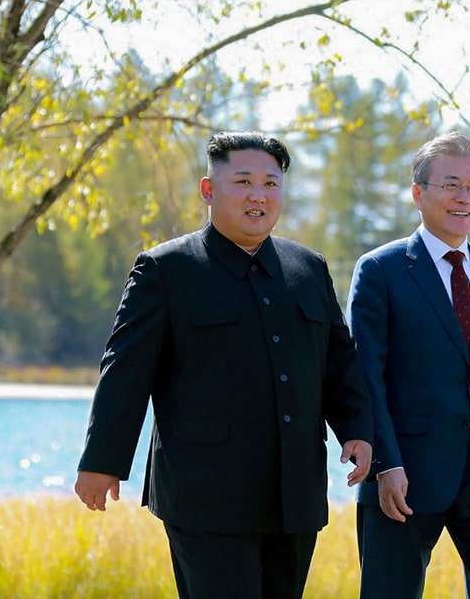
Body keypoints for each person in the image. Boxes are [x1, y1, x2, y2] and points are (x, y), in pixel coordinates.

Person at [74, 130, 373, 599]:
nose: (259, 195)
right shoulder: (165, 269)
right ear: (209, 190)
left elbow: (338, 360)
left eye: (271, 184)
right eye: (243, 182)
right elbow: (125, 372)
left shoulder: (308, 268)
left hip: (294, 495)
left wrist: (356, 427)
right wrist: (102, 461)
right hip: (204, 498)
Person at [346, 131, 470, 598]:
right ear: (418, 194)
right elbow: (367, 379)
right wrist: (385, 464)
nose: (464, 197)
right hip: (403, 480)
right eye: (451, 185)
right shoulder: (380, 270)